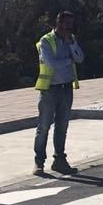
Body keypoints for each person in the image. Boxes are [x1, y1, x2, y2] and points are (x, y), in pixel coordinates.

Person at [33, 10, 85, 177]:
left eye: (71, 24)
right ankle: (39, 162)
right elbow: (52, 63)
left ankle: (59, 160)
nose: (70, 27)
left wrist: (72, 44)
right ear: (59, 23)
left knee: (62, 126)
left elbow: (80, 58)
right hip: (50, 88)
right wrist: (69, 60)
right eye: (67, 24)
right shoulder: (46, 40)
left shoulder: (71, 40)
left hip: (66, 88)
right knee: (44, 126)